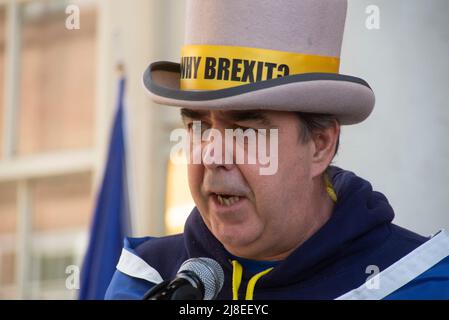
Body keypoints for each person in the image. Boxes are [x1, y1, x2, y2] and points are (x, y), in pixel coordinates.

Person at [105, 0, 449, 300]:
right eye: (200, 126)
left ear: (320, 144)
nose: (211, 155)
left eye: (244, 130)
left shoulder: (420, 281)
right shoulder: (145, 281)